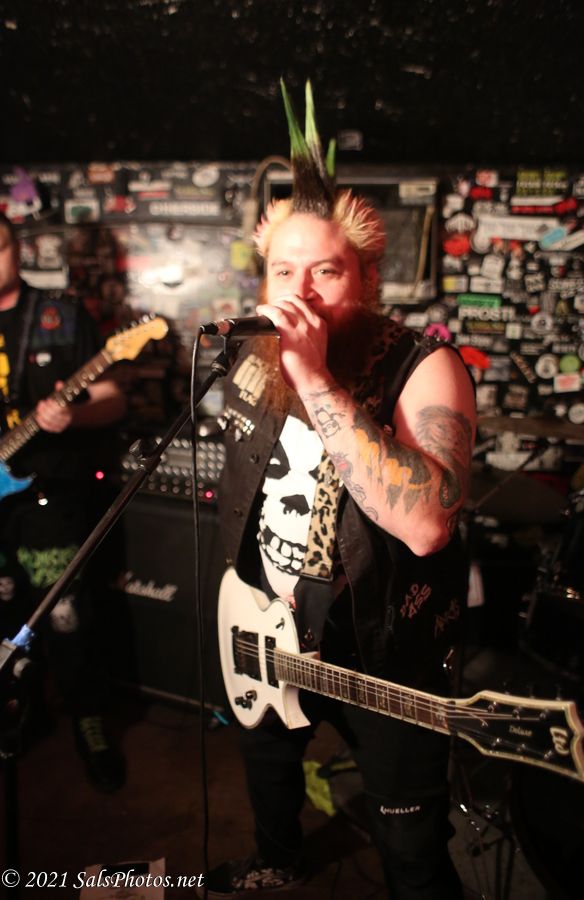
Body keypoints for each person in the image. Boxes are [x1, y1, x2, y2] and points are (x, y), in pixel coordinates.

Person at [207, 83, 476, 898]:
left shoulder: (425, 366)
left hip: (383, 657)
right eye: (284, 271)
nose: (301, 293)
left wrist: (316, 376)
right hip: (262, 628)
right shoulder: (249, 356)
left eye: (325, 271)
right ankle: (277, 858)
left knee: (410, 846)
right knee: (268, 778)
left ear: (367, 277)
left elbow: (427, 525)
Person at [0, 206, 127, 792]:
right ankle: (21, 715)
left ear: (18, 250)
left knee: (68, 620)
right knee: (1, 619)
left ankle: (90, 726)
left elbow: (113, 398)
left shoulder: (61, 316)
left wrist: (75, 416)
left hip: (51, 498)